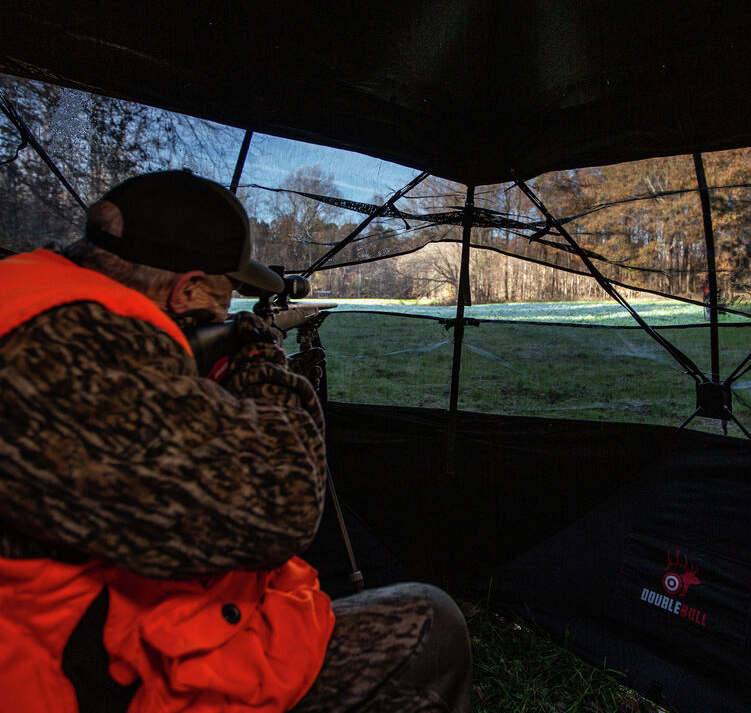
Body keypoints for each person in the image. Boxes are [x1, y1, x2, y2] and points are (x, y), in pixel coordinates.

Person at [0, 170, 472, 712]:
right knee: (431, 622)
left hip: (94, 644)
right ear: (190, 290)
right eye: (225, 300)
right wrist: (261, 359)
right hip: (77, 682)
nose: (225, 314)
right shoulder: (71, 352)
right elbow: (286, 505)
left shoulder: (30, 293)